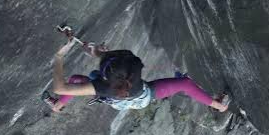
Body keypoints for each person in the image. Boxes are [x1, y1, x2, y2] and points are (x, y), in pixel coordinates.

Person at [44, 37, 229, 113]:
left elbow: (60, 87)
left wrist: (59, 55)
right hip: (142, 97)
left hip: (123, 99)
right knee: (183, 82)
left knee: (77, 79)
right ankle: (219, 106)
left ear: (105, 74)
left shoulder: (101, 86)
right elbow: (186, 86)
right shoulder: (132, 71)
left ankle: (58, 105)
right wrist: (101, 54)